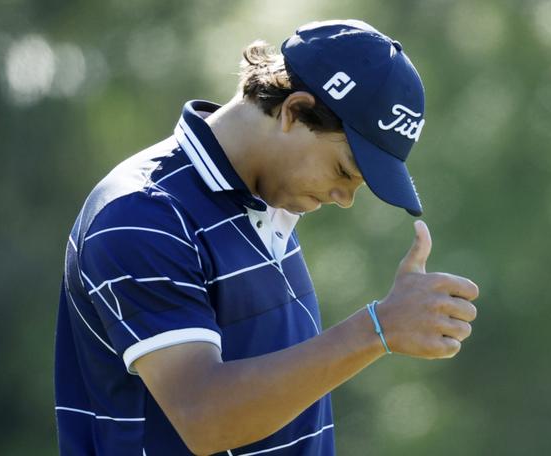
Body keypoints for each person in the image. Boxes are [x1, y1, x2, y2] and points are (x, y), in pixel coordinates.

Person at [54, 19, 479, 455]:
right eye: (343, 171)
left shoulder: (268, 204)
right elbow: (205, 418)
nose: (345, 198)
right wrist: (378, 328)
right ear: (293, 111)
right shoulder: (142, 215)